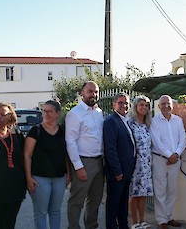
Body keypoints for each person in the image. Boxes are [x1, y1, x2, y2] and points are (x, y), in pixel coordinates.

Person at [65, 81, 105, 229]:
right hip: (83, 162)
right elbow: (70, 141)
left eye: (96, 92)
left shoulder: (99, 112)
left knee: (95, 200)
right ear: (82, 92)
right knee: (77, 201)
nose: (93, 95)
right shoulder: (75, 114)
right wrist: (78, 166)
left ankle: (91, 226)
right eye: (90, 91)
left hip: (99, 162)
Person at [24, 100, 69, 229]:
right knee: (41, 212)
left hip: (59, 178)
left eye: (50, 111)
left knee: (55, 211)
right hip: (39, 178)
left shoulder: (63, 131)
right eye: (44, 111)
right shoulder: (35, 131)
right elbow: (27, 155)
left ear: (57, 113)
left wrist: (68, 174)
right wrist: (28, 178)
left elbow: (65, 154)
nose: (46, 114)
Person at [150, 95, 186, 229]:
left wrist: (176, 154)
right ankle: (161, 221)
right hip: (160, 159)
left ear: (172, 105)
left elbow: (182, 138)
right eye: (163, 104)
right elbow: (156, 142)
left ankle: (169, 216)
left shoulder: (178, 120)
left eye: (168, 103)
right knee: (160, 190)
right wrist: (169, 155)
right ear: (159, 106)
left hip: (175, 160)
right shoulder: (154, 121)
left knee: (172, 190)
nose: (166, 106)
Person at [103, 92, 136, 229]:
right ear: (114, 104)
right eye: (121, 102)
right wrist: (117, 171)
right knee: (113, 204)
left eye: (126, 103)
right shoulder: (111, 121)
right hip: (118, 172)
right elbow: (110, 149)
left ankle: (123, 225)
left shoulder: (125, 120)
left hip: (127, 170)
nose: (124, 105)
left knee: (123, 203)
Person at [127, 95, 154, 229]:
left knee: (143, 193)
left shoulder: (148, 124)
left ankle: (142, 220)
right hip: (134, 163)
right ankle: (134, 222)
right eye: (141, 105)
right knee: (134, 193)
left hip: (146, 164)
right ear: (136, 107)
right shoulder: (130, 123)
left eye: (146, 105)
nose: (144, 107)